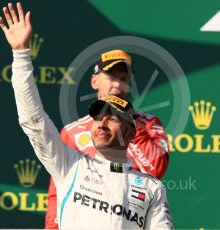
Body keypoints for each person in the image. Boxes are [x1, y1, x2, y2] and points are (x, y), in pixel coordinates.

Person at [0, 3, 173, 229]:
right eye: (98, 117)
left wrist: (134, 121)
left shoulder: (152, 188)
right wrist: (21, 54)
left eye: (112, 117)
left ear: (131, 132)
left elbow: (155, 168)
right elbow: (33, 120)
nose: (101, 123)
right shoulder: (70, 165)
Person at [45, 15, 170, 230]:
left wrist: (131, 122)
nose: (118, 85)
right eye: (112, 77)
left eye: (124, 79)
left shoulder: (149, 124)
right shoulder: (72, 132)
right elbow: (58, 190)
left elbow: (155, 170)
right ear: (95, 81)